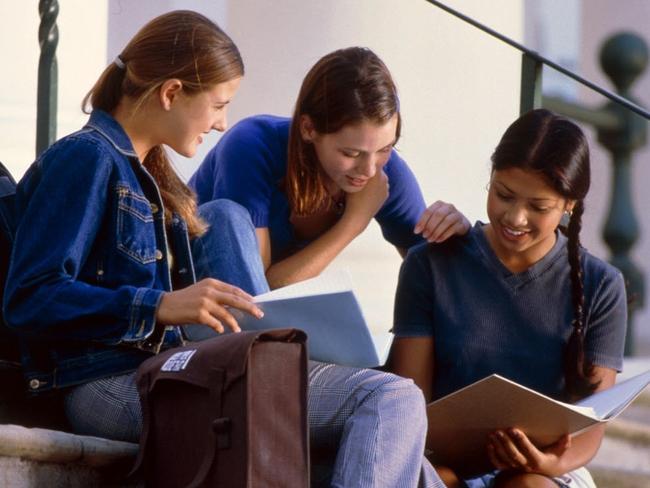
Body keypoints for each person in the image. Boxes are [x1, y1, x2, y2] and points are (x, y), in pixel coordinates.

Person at [4, 10, 443, 488]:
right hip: (108, 385)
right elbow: (31, 296)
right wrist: (161, 305)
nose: (221, 124)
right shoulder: (87, 157)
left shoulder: (150, 176)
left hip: (160, 371)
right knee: (391, 399)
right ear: (172, 93)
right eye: (218, 105)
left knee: (403, 457)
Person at [389, 109, 627, 488]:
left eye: (538, 207)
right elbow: (407, 401)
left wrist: (546, 462)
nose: (515, 218)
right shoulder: (430, 263)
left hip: (546, 469)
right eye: (504, 195)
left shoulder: (603, 285)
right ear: (491, 179)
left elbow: (589, 429)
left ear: (570, 205)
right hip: (438, 459)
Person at [189, 46, 470, 290]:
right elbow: (259, 290)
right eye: (351, 152)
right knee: (226, 214)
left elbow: (437, 281)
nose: (369, 169)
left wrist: (459, 238)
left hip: (254, 324)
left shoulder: (386, 173)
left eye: (385, 149)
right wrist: (353, 223)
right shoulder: (251, 145)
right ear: (309, 128)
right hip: (185, 287)